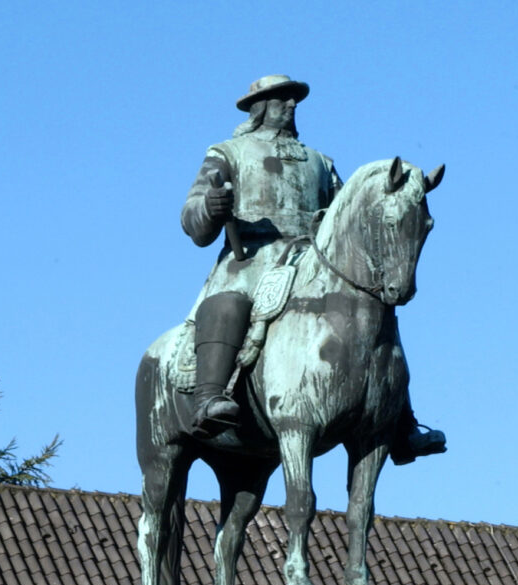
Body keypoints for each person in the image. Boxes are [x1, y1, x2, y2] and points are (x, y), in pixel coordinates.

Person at [182, 74, 445, 463]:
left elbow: (346, 215)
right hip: (251, 257)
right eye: (280, 100)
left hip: (310, 257)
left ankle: (401, 421)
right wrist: (211, 208)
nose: (290, 106)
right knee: (229, 304)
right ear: (259, 108)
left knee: (372, 313)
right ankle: (209, 397)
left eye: (293, 101)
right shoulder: (228, 152)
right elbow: (192, 217)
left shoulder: (320, 162)